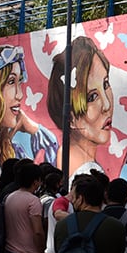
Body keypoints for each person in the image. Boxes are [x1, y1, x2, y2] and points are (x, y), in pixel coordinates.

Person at [0, 45, 56, 182]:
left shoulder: (15, 152)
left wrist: (32, 127)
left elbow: (50, 171)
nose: (19, 95)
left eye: (19, 82)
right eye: (11, 82)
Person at [46, 37, 111, 176]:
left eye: (106, 84)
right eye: (92, 97)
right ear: (70, 118)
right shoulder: (84, 171)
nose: (107, 105)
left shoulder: (73, 159)